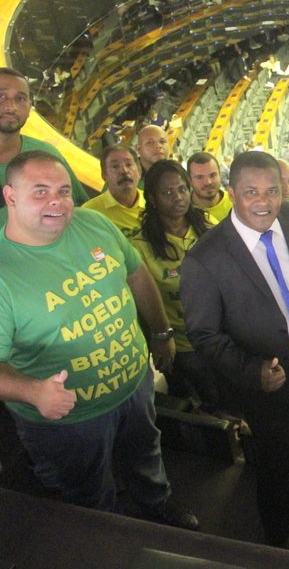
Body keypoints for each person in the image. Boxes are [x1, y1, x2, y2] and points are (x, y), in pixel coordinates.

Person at [0, 150, 197, 529]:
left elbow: (137, 275)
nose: (57, 201)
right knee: (86, 490)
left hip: (134, 384)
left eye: (62, 190)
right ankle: (107, 534)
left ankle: (157, 504)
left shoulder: (95, 224)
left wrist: (160, 334)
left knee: (145, 452)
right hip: (70, 418)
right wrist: (33, 392)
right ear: (10, 197)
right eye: (39, 192)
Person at [181, 151, 289, 548]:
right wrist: (254, 372)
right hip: (266, 378)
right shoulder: (204, 259)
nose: (263, 201)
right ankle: (280, 534)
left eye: (272, 191)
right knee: (273, 461)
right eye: (251, 192)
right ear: (231, 193)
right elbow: (204, 334)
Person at [132, 160, 221, 413]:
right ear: (152, 198)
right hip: (178, 345)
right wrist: (158, 339)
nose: (178, 197)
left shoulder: (207, 225)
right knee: (189, 405)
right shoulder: (140, 245)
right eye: (167, 192)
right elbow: (142, 301)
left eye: (182, 189)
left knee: (224, 401)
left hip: (217, 338)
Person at [0, 68, 88, 204]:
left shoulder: (47, 156)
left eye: (20, 98)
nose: (11, 107)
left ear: (30, 107)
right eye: (1, 96)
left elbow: (80, 209)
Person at [186, 152, 232, 222]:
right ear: (189, 180)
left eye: (212, 175)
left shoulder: (235, 203)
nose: (208, 182)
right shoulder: (183, 212)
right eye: (199, 177)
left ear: (220, 174)